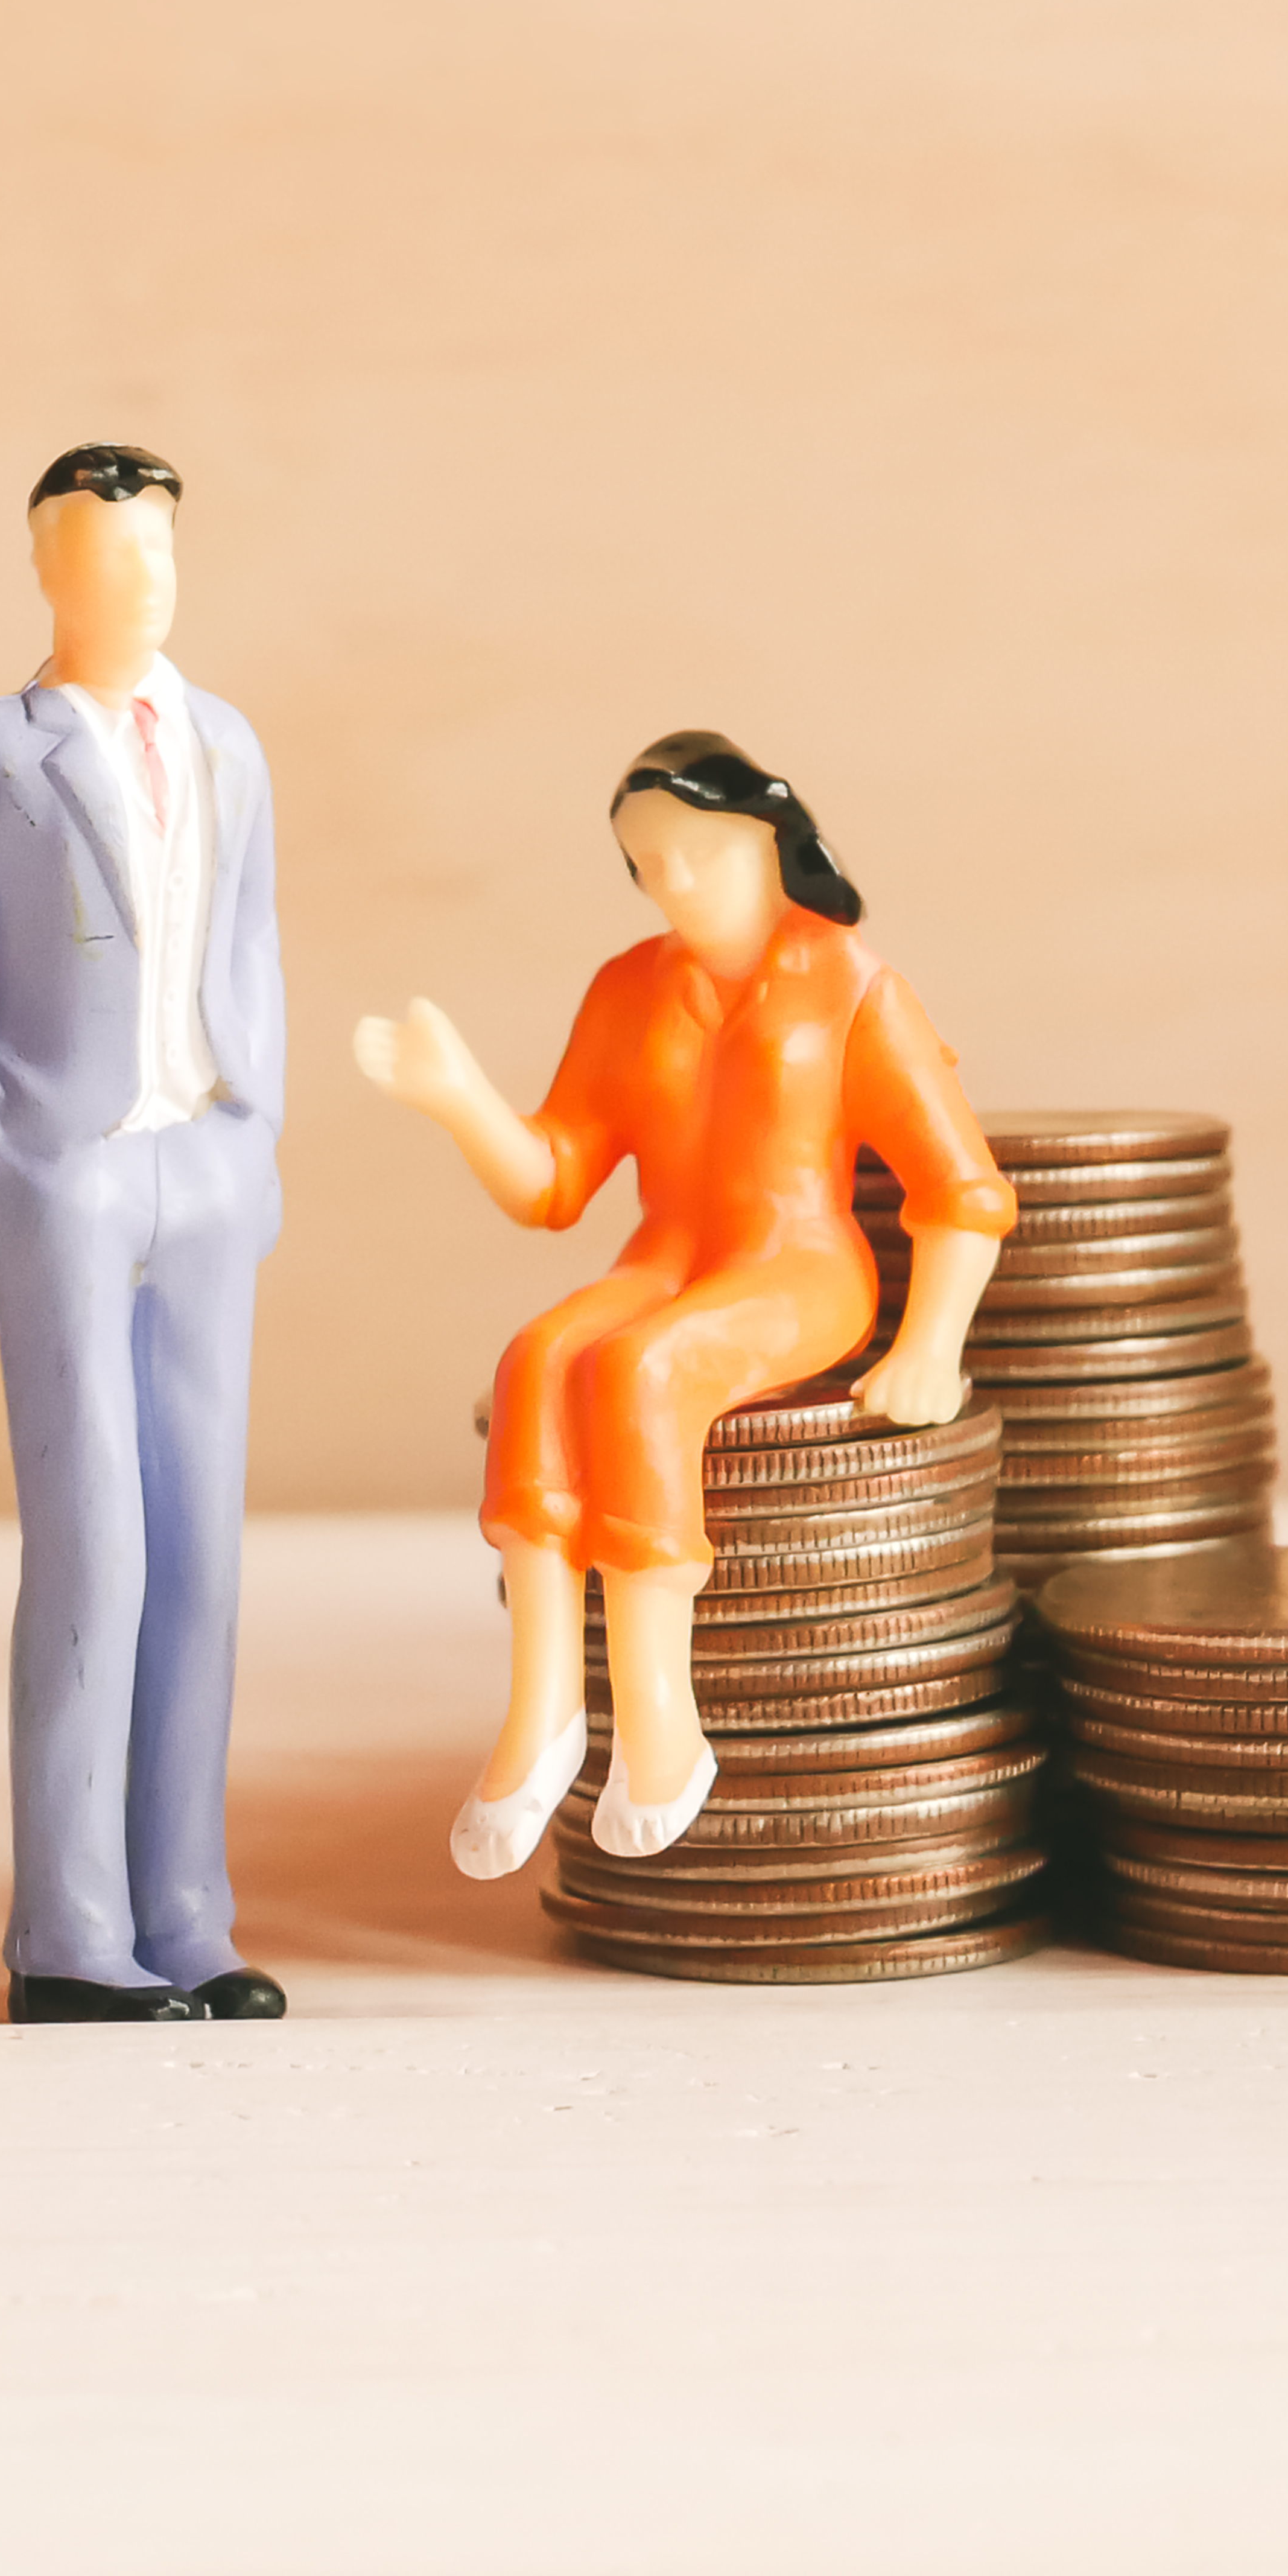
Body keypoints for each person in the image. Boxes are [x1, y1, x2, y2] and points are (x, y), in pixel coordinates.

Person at [357, 731, 1015, 1877]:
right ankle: (543, 1708)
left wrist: (932, 1344)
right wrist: (460, 1098)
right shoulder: (628, 988)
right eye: (645, 864)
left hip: (799, 1266)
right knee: (539, 1356)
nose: (673, 883)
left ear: (770, 836)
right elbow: (557, 1183)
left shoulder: (855, 983)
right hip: (668, 1254)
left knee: (640, 1370)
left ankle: (662, 1724)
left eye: (698, 853)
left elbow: (961, 1187)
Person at [0, 445, 293, 2027]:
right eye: (101, 559)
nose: (134, 586)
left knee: (206, 1560)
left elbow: (254, 939)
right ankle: (73, 1932)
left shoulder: (228, 740)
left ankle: (190, 1912)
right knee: (96, 1544)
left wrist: (257, 1126)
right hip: (71, 1169)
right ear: (47, 569)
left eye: (154, 554)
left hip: (206, 1167)